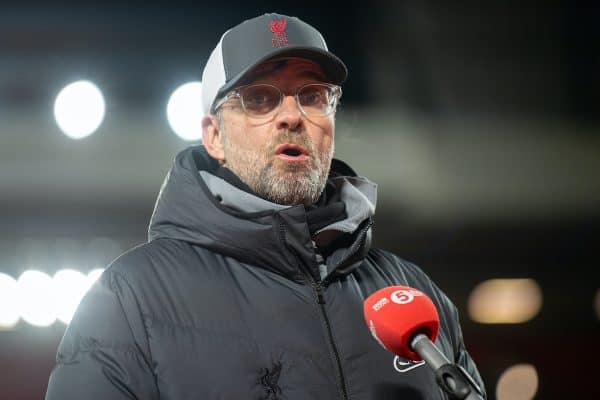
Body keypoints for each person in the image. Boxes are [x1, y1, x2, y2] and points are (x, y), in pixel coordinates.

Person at [46, 13, 486, 400]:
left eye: (313, 96)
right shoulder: (130, 300)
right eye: (259, 98)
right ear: (214, 136)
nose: (292, 116)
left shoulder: (415, 294)